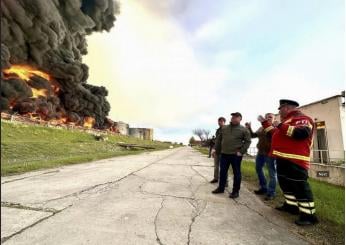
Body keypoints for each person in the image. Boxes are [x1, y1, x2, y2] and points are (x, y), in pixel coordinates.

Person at [259, 99, 318, 226]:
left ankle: (309, 215)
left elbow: (301, 133)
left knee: (299, 187)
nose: (279, 112)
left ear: (286, 108)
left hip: (295, 160)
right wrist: (264, 123)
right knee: (286, 185)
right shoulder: (286, 121)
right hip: (282, 159)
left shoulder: (302, 118)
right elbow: (275, 133)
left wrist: (280, 125)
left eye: (280, 109)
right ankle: (291, 206)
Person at [212, 112, 251, 198]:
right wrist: (215, 149)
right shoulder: (224, 128)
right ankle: (221, 188)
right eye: (233, 116)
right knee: (222, 172)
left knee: (237, 173)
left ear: (240, 119)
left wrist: (241, 151)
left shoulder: (244, 130)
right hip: (224, 154)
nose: (233, 118)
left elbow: (248, 141)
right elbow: (219, 140)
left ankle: (235, 191)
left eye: (236, 117)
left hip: (235, 156)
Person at [245, 113, 277, 200]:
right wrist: (249, 128)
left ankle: (271, 192)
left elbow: (274, 135)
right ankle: (263, 188)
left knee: (272, 173)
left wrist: (269, 125)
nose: (268, 118)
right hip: (260, 153)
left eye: (270, 117)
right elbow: (253, 135)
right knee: (258, 169)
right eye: (266, 117)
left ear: (274, 119)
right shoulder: (261, 128)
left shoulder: (275, 127)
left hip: (270, 154)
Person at [209, 117, 227, 184]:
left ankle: (225, 182)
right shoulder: (218, 130)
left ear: (224, 122)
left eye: (221, 121)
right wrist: (213, 149)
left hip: (224, 151)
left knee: (224, 167)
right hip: (217, 151)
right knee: (216, 166)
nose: (219, 122)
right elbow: (217, 141)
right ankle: (215, 178)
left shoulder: (226, 129)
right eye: (219, 121)